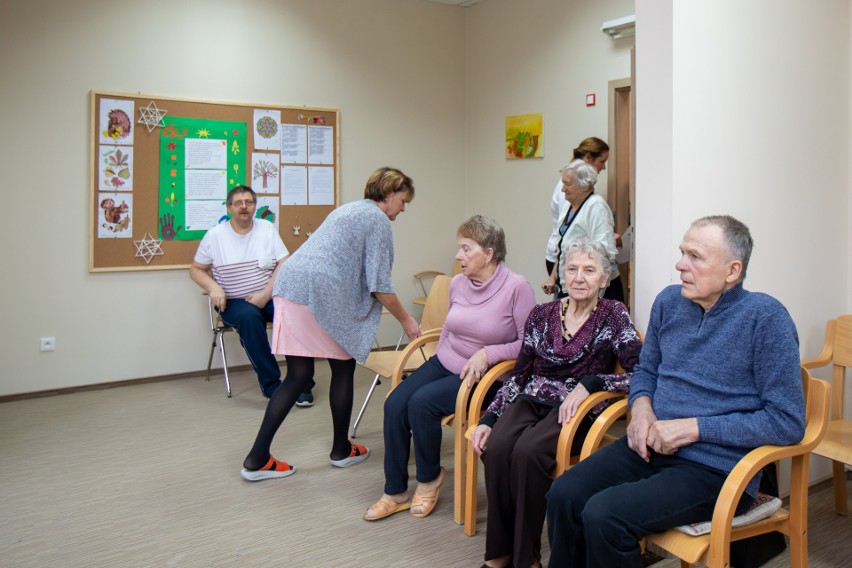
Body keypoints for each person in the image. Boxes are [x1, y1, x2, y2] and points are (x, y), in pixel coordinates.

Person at [545, 215, 806, 568]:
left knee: (605, 516)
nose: (680, 264)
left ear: (732, 271)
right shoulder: (669, 302)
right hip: (649, 445)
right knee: (564, 493)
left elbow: (786, 422)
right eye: (682, 253)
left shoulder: (766, 319)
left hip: (716, 468)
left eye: (695, 256)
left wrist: (693, 428)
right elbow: (646, 370)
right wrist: (640, 410)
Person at [240, 167, 422, 481]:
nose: (403, 209)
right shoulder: (377, 220)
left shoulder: (348, 209)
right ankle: (340, 450)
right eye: (403, 201)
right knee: (342, 367)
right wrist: (408, 322)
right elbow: (379, 284)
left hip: (290, 288)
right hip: (318, 294)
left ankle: (257, 457)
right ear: (390, 194)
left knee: (298, 376)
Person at [470, 239, 642, 568]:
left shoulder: (614, 315)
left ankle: (526, 558)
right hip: (530, 398)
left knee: (527, 453)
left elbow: (641, 373)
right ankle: (499, 553)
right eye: (572, 269)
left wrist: (593, 383)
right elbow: (519, 376)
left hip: (576, 410)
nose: (579, 277)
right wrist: (489, 418)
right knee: (497, 447)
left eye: (589, 270)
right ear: (562, 274)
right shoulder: (541, 315)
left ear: (604, 279)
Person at [364, 215, 536, 521]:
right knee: (394, 404)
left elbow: (529, 344)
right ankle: (396, 490)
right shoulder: (458, 283)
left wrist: (488, 353)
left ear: (489, 253)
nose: (458, 256)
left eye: (466, 249)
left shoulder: (516, 288)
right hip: (445, 362)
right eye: (459, 248)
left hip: (488, 377)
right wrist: (438, 358)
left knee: (421, 404)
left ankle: (429, 478)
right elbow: (448, 328)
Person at [190, 185, 313, 402]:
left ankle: (302, 383)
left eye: (248, 202)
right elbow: (195, 269)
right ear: (229, 208)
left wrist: (266, 294)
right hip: (234, 301)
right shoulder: (214, 236)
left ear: (254, 206)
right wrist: (214, 288)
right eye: (238, 203)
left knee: (294, 313)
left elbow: (284, 262)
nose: (244, 207)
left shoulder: (266, 228)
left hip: (268, 294)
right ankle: (273, 387)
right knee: (250, 318)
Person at [541, 160, 622, 303]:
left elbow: (604, 256)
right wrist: (553, 279)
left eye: (567, 184)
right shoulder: (569, 206)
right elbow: (563, 246)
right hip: (571, 289)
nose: (562, 189)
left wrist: (593, 301)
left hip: (592, 293)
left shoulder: (596, 207)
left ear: (584, 185)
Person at [544, 137, 609, 278]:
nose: (603, 167)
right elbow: (570, 230)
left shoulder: (585, 194)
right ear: (588, 158)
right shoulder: (571, 187)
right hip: (562, 259)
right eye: (602, 161)